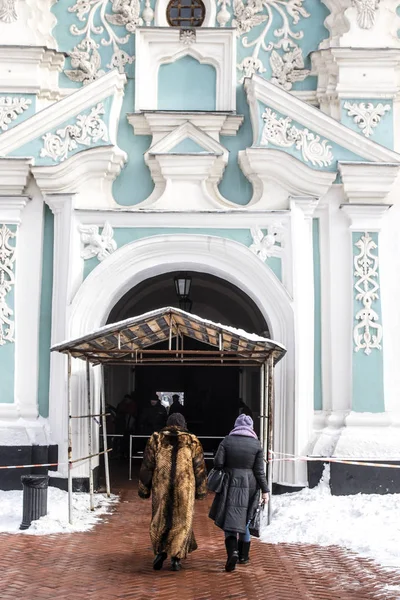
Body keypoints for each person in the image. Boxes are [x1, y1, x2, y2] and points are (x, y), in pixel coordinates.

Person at [138, 412, 207, 572]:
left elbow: (147, 466)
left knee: (160, 518)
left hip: (161, 486)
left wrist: (144, 489)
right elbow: (199, 467)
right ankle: (176, 557)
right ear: (183, 424)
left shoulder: (156, 438)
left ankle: (161, 551)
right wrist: (201, 490)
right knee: (182, 521)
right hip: (184, 487)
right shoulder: (192, 440)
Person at [208, 414, 269, 572]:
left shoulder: (227, 440)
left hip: (230, 483)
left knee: (230, 519)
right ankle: (244, 556)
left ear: (236, 426)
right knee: (245, 520)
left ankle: (232, 552)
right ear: (251, 427)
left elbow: (218, 462)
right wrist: (265, 491)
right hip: (250, 484)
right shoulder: (256, 444)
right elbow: (259, 471)